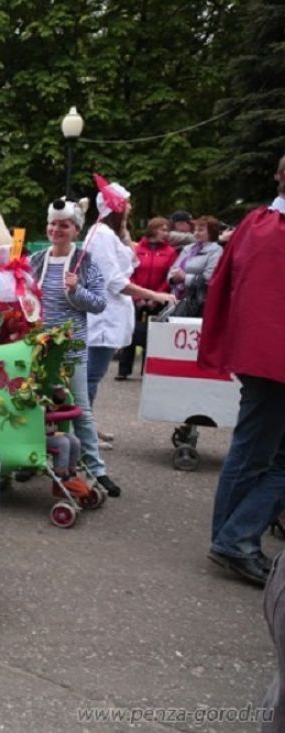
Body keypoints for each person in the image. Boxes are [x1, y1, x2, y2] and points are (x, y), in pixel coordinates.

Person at [199, 154, 285, 586]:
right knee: (263, 455)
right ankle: (235, 539)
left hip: (257, 355)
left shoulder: (255, 223)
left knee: (249, 451)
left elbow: (223, 284)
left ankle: (230, 538)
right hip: (276, 361)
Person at [28, 197, 112, 495]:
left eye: (63, 225)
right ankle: (34, 461)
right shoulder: (36, 260)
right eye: (52, 224)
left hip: (72, 350)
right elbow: (23, 297)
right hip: (38, 351)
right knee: (37, 408)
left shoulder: (85, 262)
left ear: (76, 229)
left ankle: (96, 468)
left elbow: (100, 304)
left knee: (80, 411)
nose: (56, 229)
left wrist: (76, 290)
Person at [83, 175, 174, 429]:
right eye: (127, 203)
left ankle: (87, 428)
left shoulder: (110, 234)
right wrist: (155, 295)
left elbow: (132, 262)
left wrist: (124, 232)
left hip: (109, 317)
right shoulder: (100, 235)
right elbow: (115, 282)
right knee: (91, 378)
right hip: (102, 318)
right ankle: (84, 432)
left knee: (93, 377)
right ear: (117, 207)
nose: (131, 208)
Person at [116, 217, 178, 380]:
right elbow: (129, 273)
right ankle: (124, 369)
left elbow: (168, 277)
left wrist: (156, 297)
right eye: (163, 229)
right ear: (153, 229)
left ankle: (148, 370)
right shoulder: (136, 249)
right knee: (130, 330)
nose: (166, 233)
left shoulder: (170, 251)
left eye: (167, 230)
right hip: (136, 296)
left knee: (152, 333)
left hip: (157, 297)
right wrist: (138, 296)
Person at [168, 215, 223, 317]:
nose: (196, 233)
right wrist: (173, 278)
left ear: (211, 232)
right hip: (177, 298)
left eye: (200, 230)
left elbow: (209, 278)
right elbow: (173, 270)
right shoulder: (187, 248)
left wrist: (184, 278)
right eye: (195, 230)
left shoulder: (216, 251)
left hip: (198, 303)